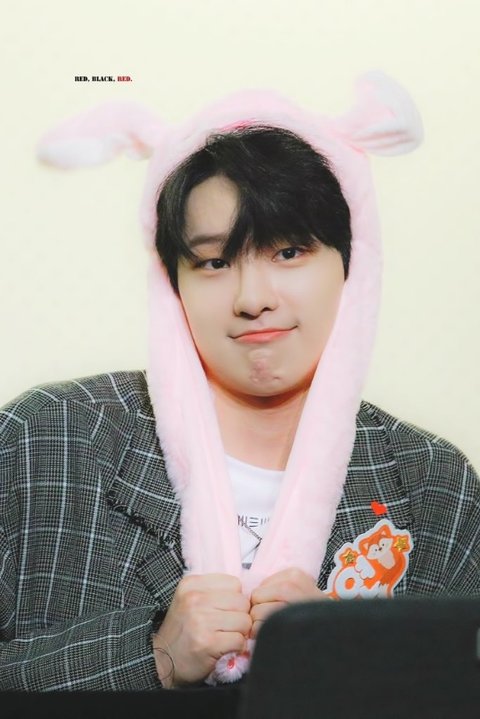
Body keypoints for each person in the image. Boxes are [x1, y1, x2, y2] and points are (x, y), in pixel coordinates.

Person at [1, 73, 479, 693]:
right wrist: (152, 657)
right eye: (215, 261)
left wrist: (353, 665)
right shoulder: (48, 439)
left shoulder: (434, 484)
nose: (253, 298)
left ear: (351, 266)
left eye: (290, 252)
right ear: (172, 281)